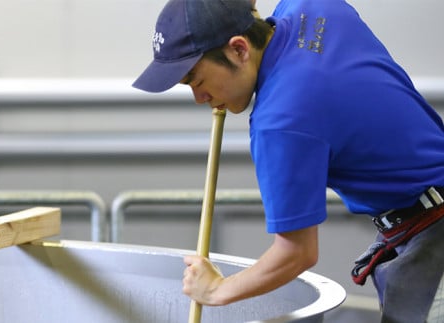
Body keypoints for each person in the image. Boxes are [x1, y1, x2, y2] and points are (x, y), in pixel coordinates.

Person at [132, 0, 444, 322]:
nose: (200, 99)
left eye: (196, 81)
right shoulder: (313, 7)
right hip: (422, 218)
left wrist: (216, 290)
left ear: (239, 50)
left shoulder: (280, 123)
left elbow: (296, 253)